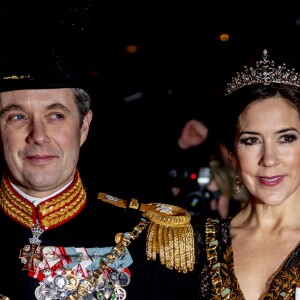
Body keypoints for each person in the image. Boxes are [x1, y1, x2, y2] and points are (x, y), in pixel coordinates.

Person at [0, 46, 198, 300]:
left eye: (56, 115)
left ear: (83, 127)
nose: (38, 135)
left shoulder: (146, 238)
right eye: (17, 116)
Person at [194, 48, 300, 300]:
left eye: (286, 138)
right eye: (251, 141)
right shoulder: (195, 245)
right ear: (231, 153)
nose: (269, 159)